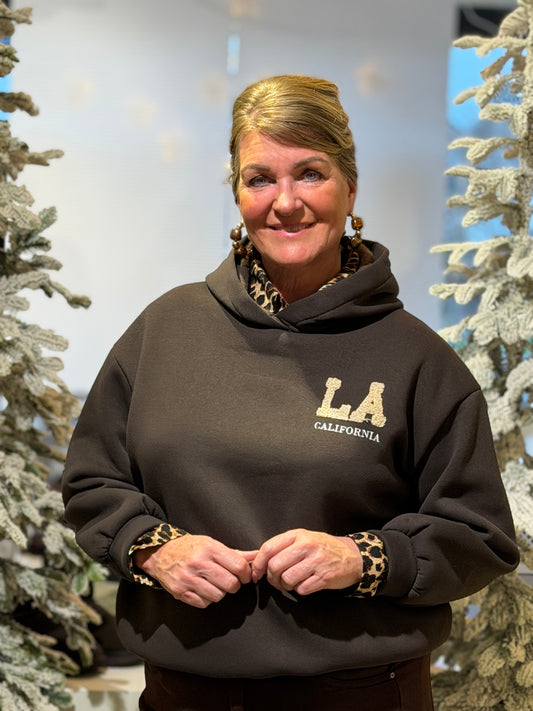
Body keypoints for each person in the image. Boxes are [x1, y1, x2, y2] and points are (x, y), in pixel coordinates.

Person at [62, 74, 519, 711]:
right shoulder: (164, 330)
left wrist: (365, 558)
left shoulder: (417, 359)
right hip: (182, 693)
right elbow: (93, 483)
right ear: (237, 193)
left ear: (350, 188)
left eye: (310, 173)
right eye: (259, 179)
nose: (285, 202)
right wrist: (152, 549)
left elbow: (479, 535)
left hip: (362, 695)